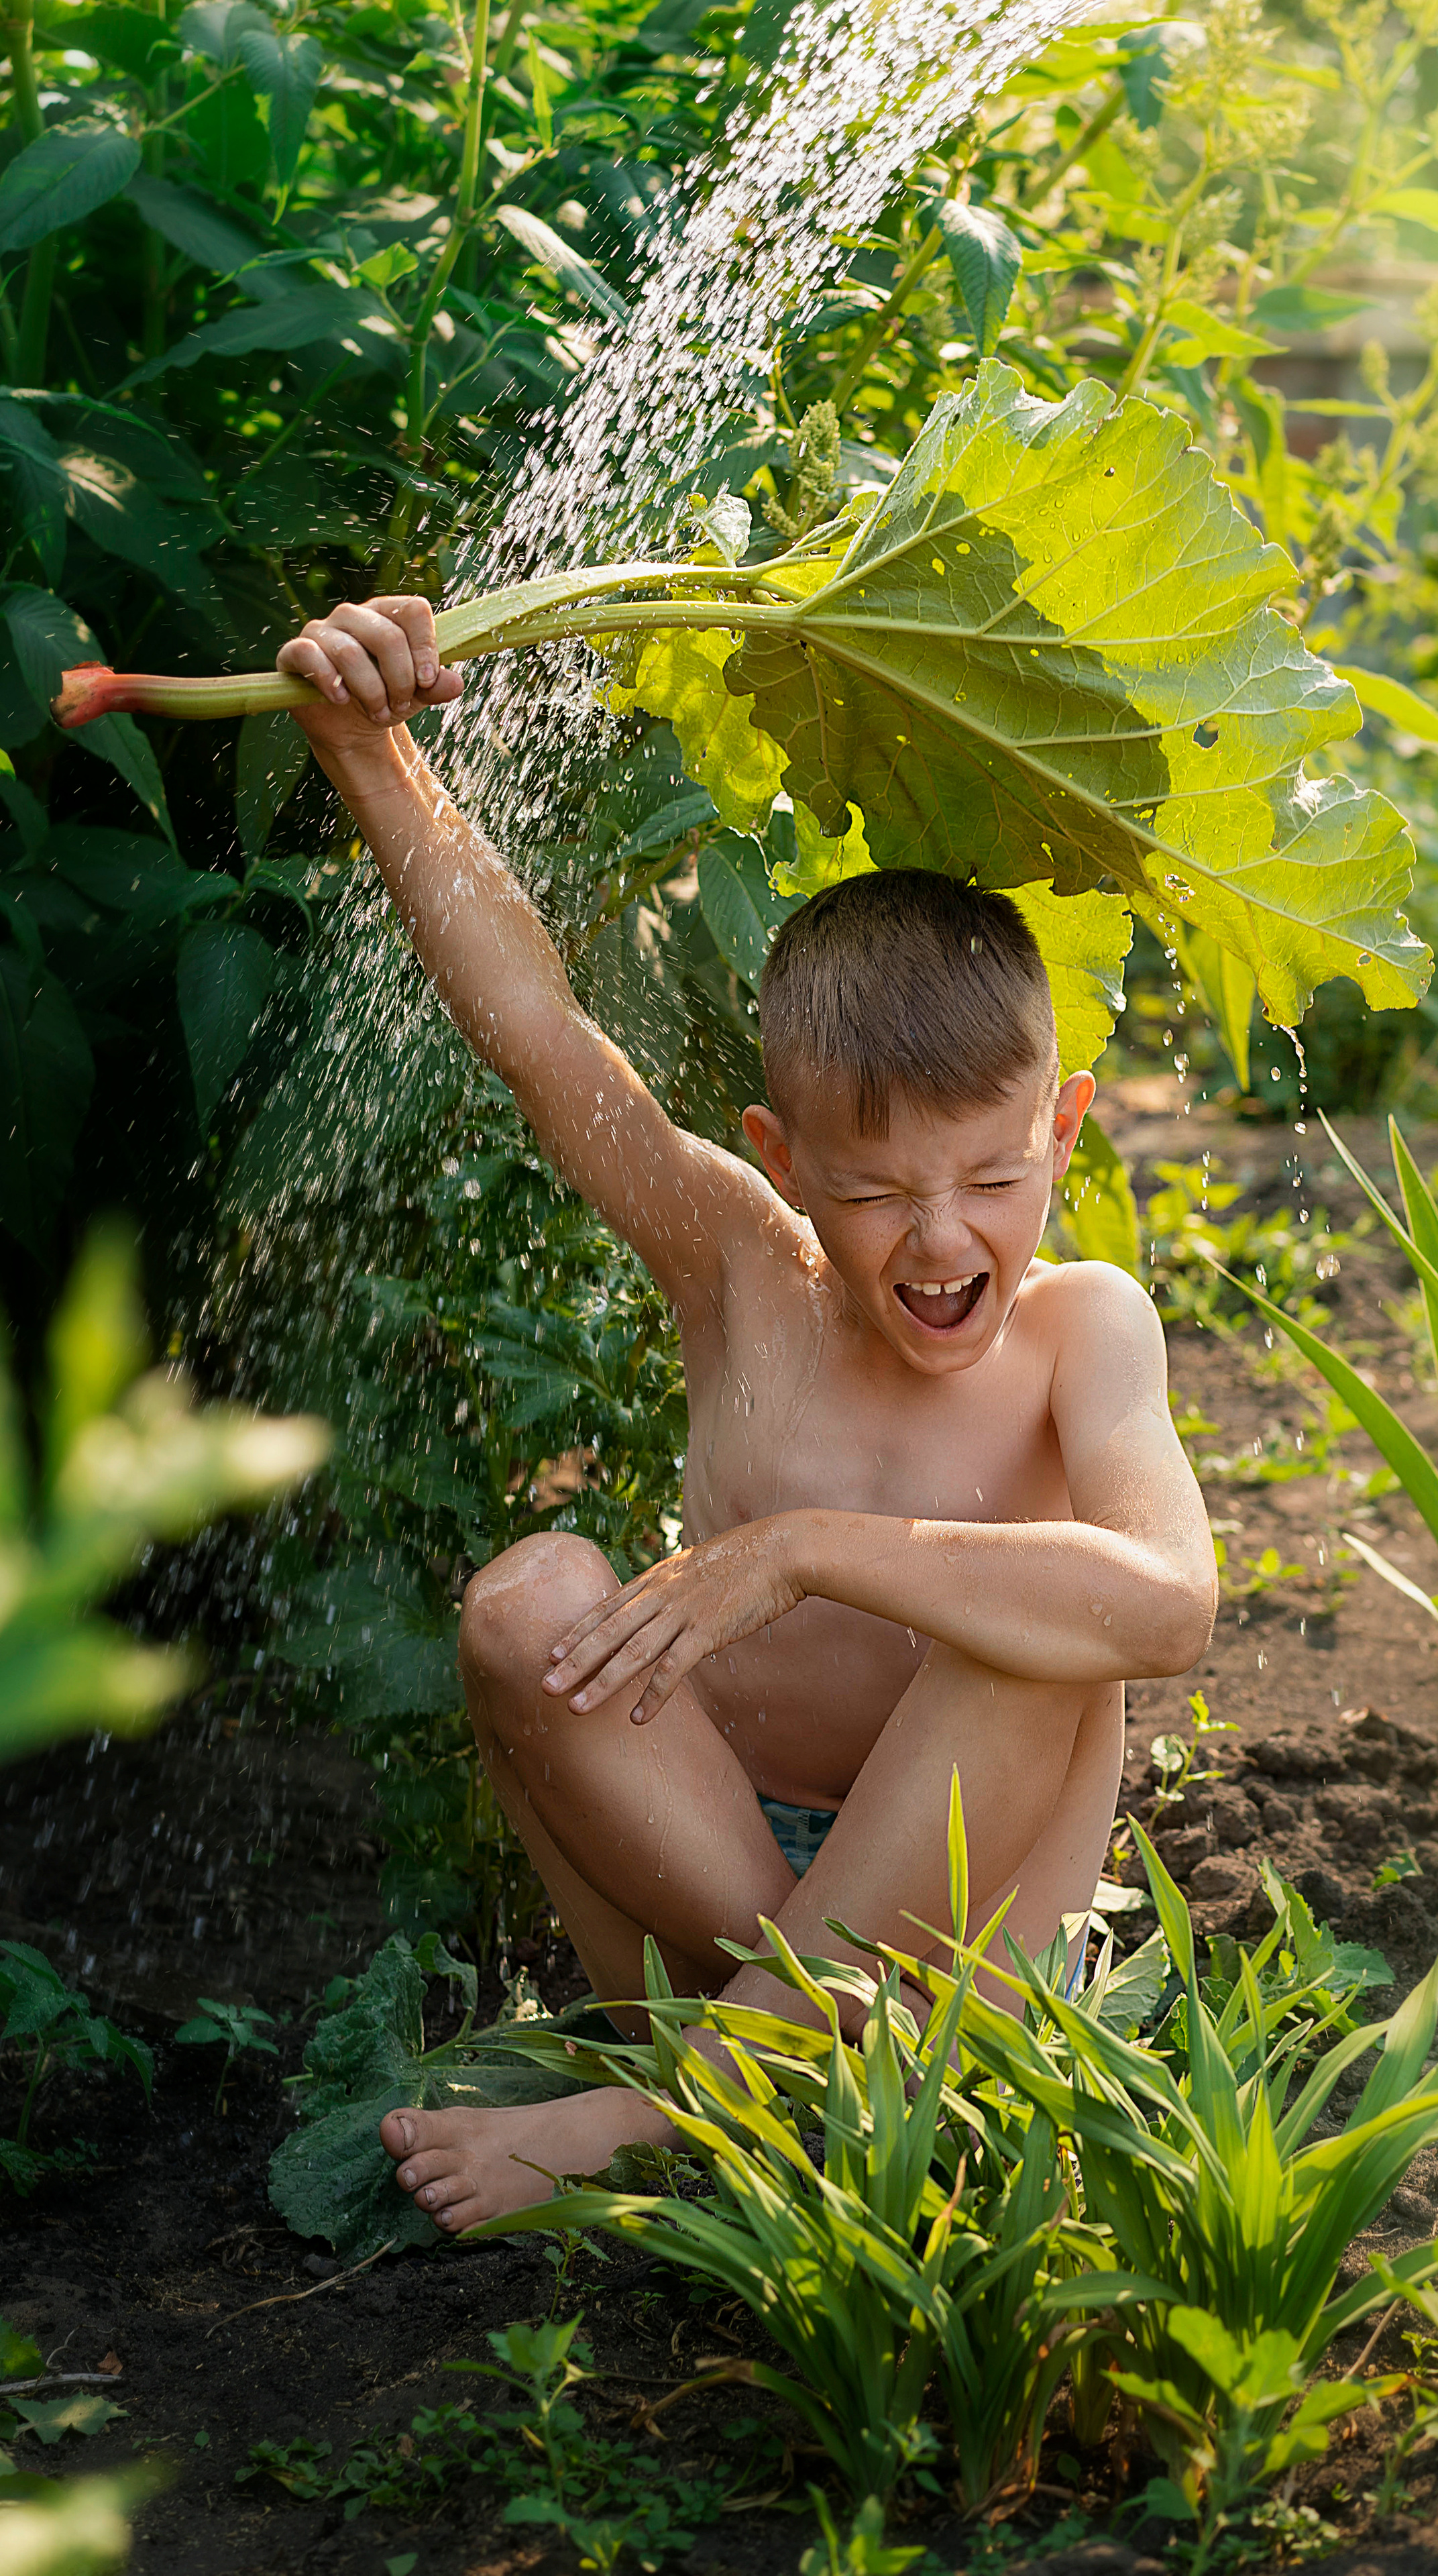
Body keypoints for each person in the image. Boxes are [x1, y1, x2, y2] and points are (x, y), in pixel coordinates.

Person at [278, 594, 1217, 2235]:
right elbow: (539, 1036)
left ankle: (672, 2112)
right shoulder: (737, 1267)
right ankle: (780, 2069)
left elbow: (1170, 1605)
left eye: (995, 1178)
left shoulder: (1085, 1331)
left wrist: (804, 1551)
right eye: (872, 1194)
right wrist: (368, 750)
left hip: (971, 1940)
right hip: (716, 1898)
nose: (942, 1241)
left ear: (1063, 1129)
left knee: (1029, 1622)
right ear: (783, 1161)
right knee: (526, 1604)